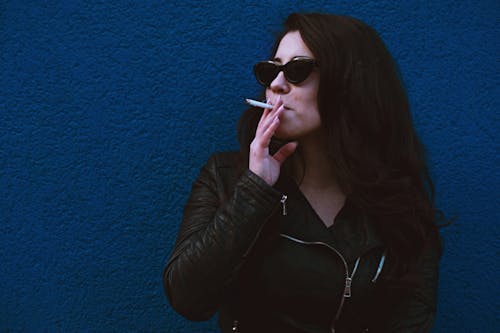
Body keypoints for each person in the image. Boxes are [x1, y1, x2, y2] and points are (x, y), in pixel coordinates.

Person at [163, 12, 444, 333]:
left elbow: (412, 319)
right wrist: (254, 190)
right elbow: (187, 299)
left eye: (297, 71)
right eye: (271, 71)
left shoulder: (398, 201)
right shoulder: (226, 176)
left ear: (350, 83)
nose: (276, 85)